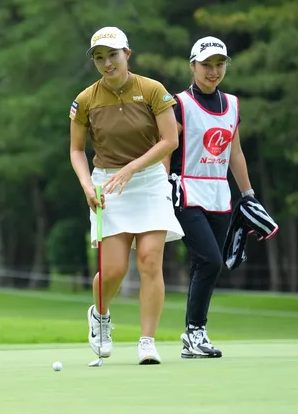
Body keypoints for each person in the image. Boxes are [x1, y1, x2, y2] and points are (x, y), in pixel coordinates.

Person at [69, 26, 184, 365]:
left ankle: (147, 341)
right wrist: (87, 186)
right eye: (99, 58)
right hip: (107, 184)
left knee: (149, 260)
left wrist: (133, 168)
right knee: (114, 269)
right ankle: (100, 315)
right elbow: (76, 150)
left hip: (148, 180)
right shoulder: (85, 100)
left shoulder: (152, 90)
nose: (107, 63)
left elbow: (170, 140)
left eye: (113, 55)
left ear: (127, 54)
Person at [163, 36, 255, 359]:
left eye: (219, 64)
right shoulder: (179, 104)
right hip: (185, 191)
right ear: (193, 67)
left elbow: (235, 153)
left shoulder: (231, 104)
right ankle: (195, 331)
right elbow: (166, 148)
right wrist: (161, 190)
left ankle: (193, 336)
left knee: (206, 264)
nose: (213, 71)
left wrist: (248, 195)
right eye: (206, 65)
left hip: (219, 194)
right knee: (211, 260)